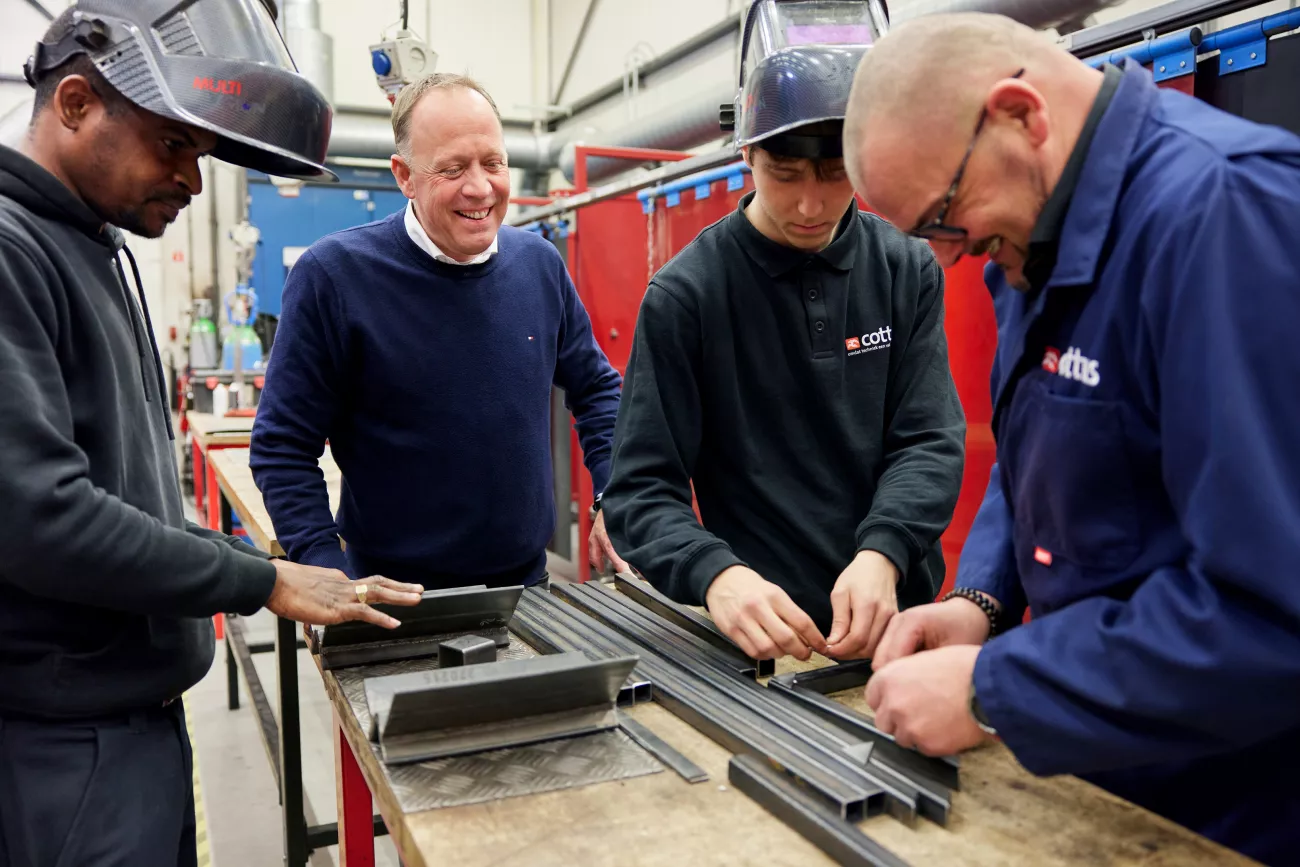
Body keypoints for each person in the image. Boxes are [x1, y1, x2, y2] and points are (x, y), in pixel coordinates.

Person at [843, 12, 1300, 865]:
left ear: (1021, 113)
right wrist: (978, 601)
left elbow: (1273, 606)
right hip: (1106, 789)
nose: (950, 256)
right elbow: (1045, 458)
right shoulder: (1028, 239)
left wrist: (994, 689)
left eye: (944, 217)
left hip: (1237, 818)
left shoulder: (1225, 216)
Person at [0, 5, 423, 867]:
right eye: (174, 145)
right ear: (76, 102)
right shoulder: (13, 252)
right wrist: (257, 577)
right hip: (63, 744)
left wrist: (241, 563)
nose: (194, 180)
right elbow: (38, 516)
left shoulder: (86, 243)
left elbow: (121, 492)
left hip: (121, 726)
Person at [602, 0, 965, 663]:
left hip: (898, 629)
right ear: (745, 150)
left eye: (835, 174)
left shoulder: (905, 267)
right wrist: (716, 574)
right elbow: (640, 491)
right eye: (785, 173)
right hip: (765, 644)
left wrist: (883, 551)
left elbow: (929, 440)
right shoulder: (687, 296)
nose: (809, 204)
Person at [250, 72, 626, 591]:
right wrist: (323, 566)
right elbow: (282, 445)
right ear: (404, 176)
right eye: (452, 169)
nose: (480, 187)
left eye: (493, 163)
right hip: (391, 596)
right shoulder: (334, 276)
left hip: (527, 586)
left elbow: (599, 388)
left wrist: (615, 493)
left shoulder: (538, 264)